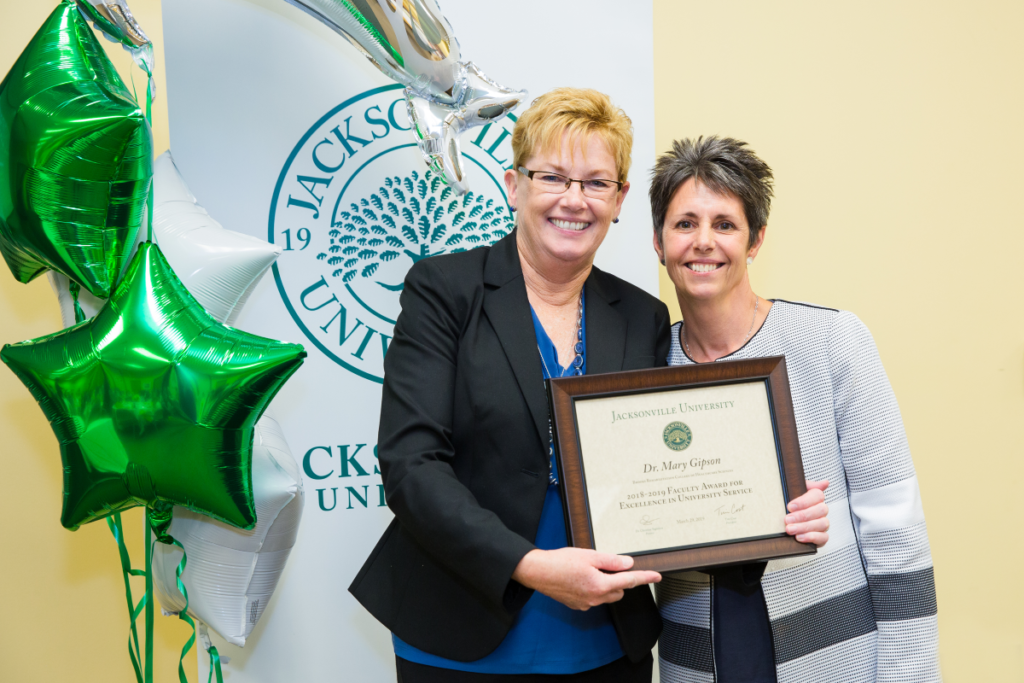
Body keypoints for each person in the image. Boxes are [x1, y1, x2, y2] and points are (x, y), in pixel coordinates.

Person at [350, 90, 828, 683]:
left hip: (606, 643)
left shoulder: (640, 316)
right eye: (552, 176)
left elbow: (676, 462)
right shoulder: (444, 291)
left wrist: (770, 507)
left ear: (620, 199)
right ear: (513, 185)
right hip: (460, 633)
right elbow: (410, 464)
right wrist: (529, 565)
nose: (574, 200)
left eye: (596, 183)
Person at [650, 136, 940, 683]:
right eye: (684, 223)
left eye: (725, 224)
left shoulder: (831, 341)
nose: (703, 242)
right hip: (695, 661)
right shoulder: (644, 368)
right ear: (658, 242)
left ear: (756, 239)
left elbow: (895, 529)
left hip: (833, 653)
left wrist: (910, 672)